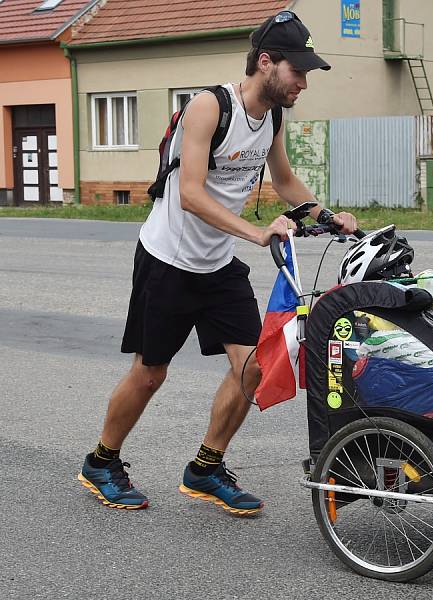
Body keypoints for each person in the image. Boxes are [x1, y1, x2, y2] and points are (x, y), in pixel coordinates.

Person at [78, 11, 357, 515]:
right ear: (267, 62)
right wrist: (258, 232)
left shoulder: (271, 117)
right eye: (299, 72)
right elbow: (189, 194)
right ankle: (101, 461)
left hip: (217, 263)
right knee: (150, 373)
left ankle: (205, 468)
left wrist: (328, 215)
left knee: (252, 367)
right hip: (168, 260)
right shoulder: (209, 107)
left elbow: (286, 181)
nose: (304, 84)